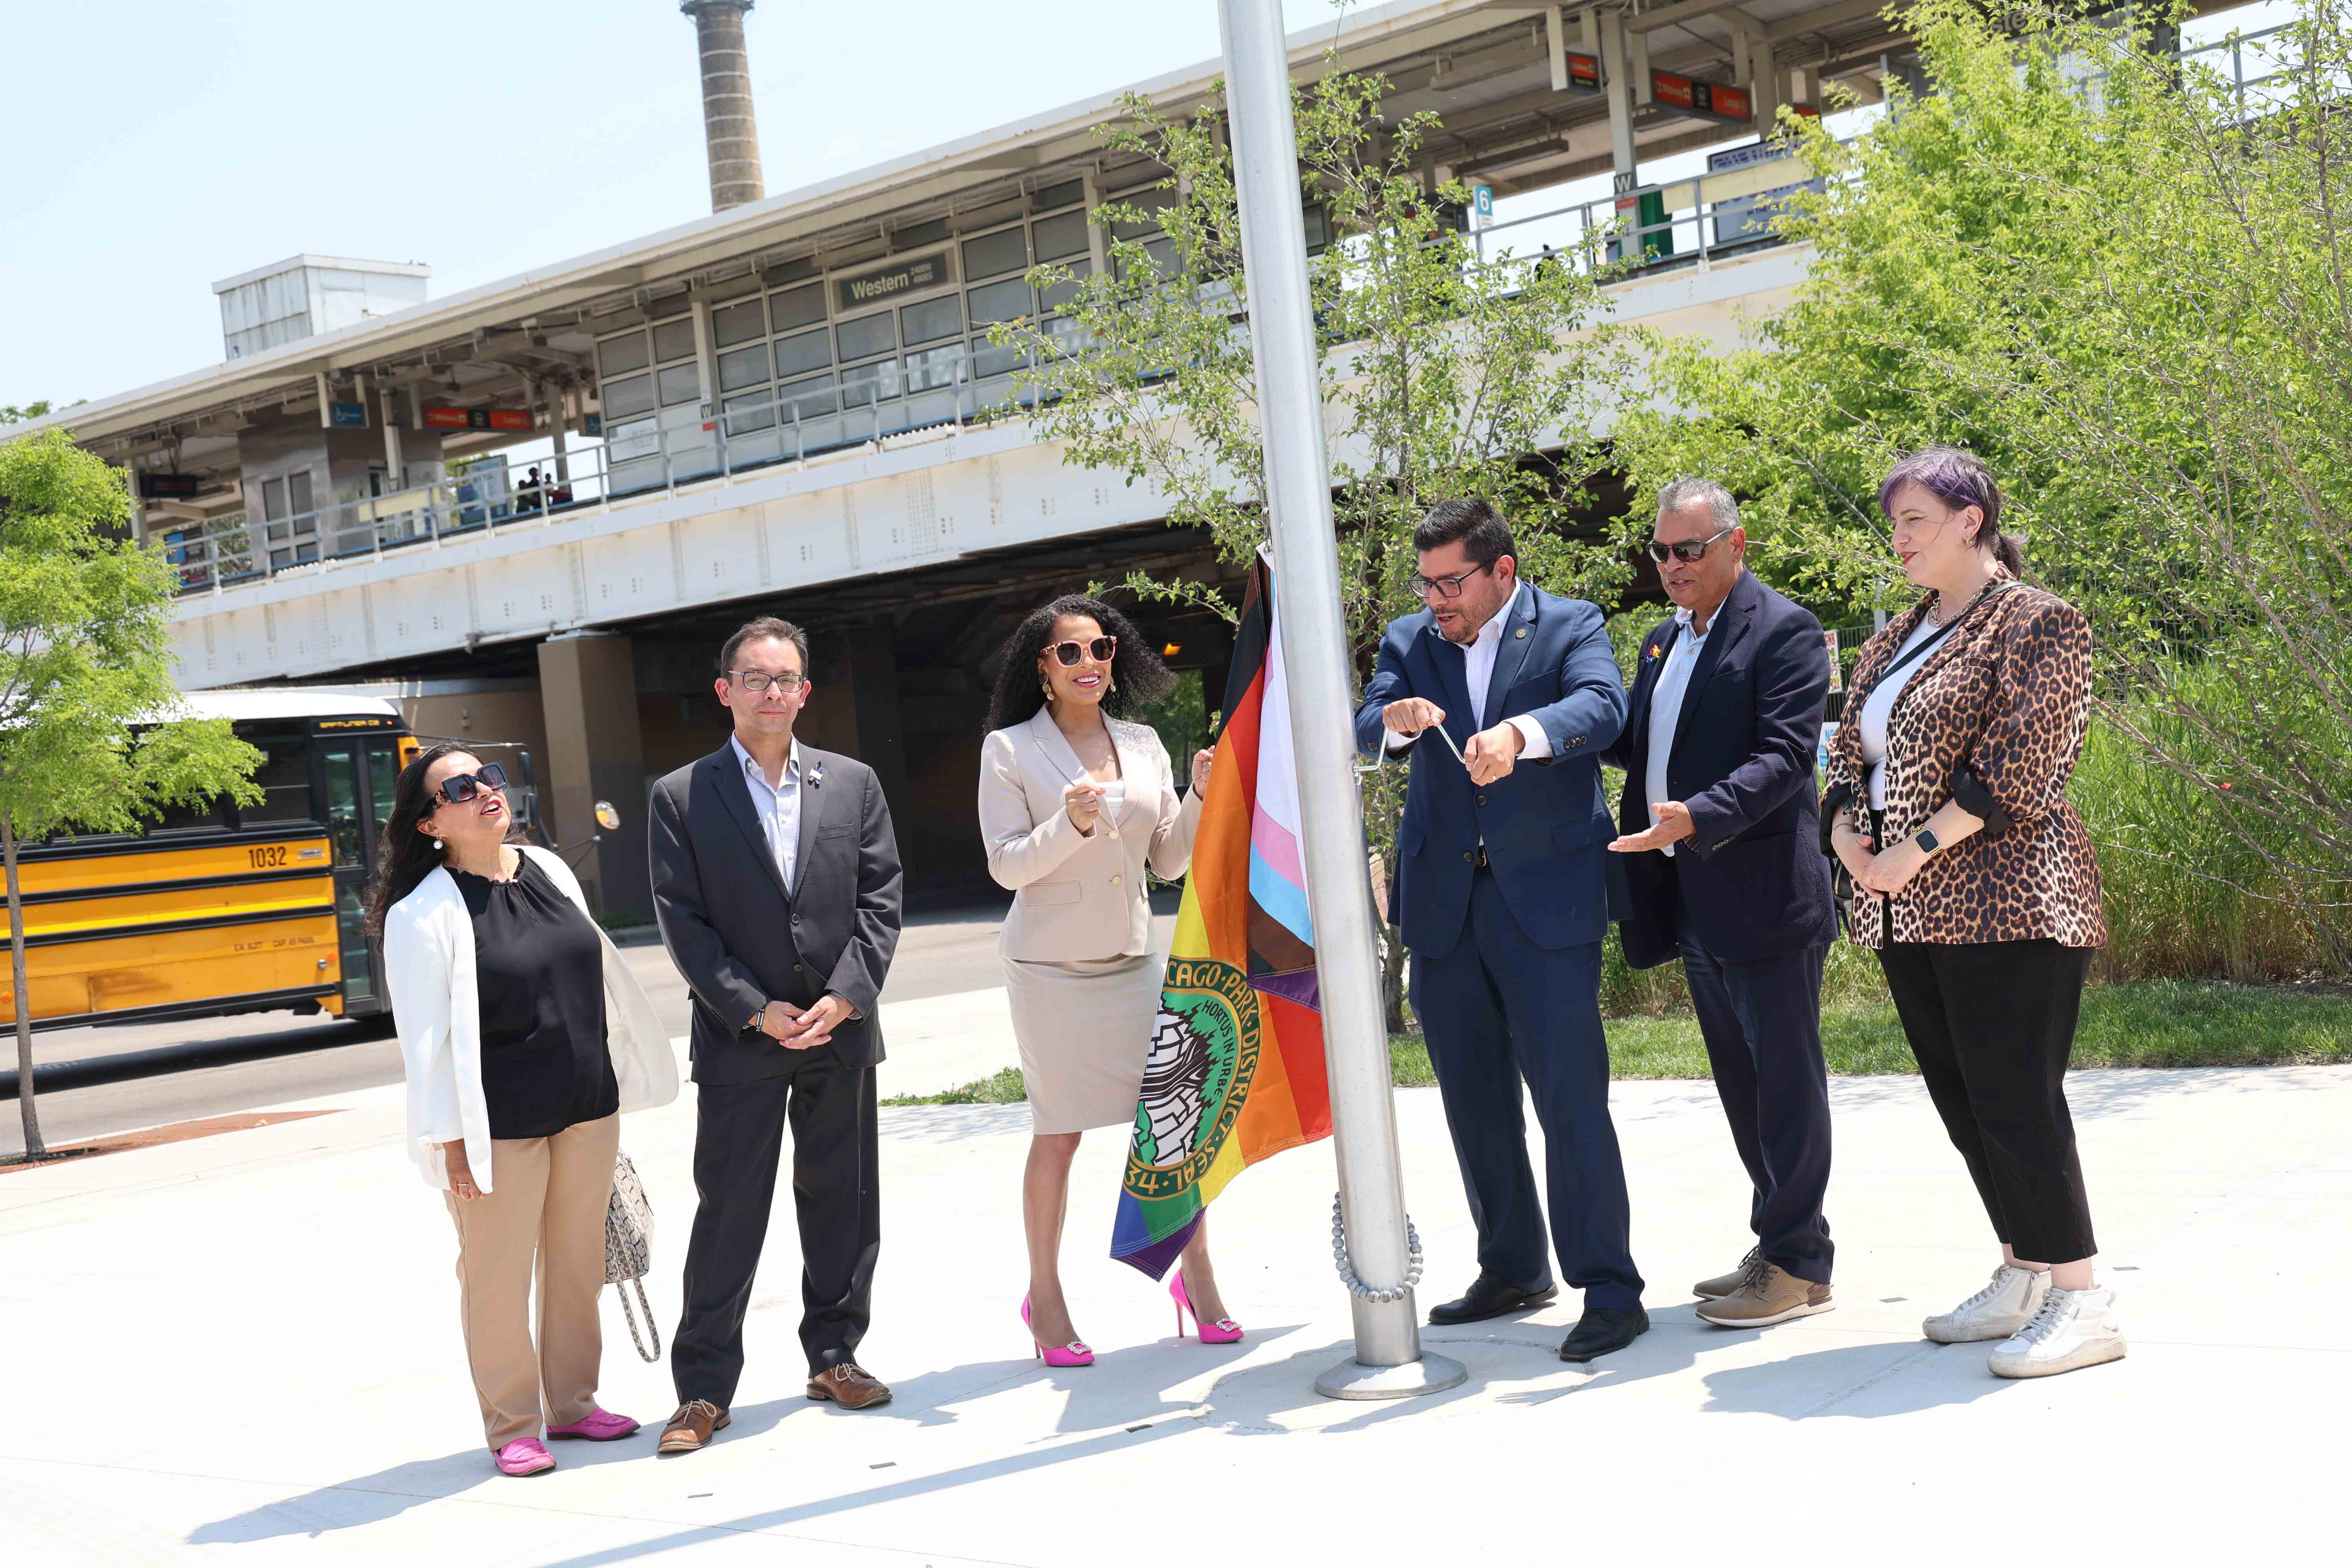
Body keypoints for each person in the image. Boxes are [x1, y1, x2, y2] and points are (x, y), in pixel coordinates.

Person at [1823, 447, 2121, 1379]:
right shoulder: (1893, 636)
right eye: (1896, 521)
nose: (1900, 537)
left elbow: (2025, 763)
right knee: (1966, 1106)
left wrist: (1908, 850)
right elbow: (1847, 747)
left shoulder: (2039, 623)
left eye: (1915, 519)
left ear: (1970, 520)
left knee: (2017, 1099)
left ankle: (2083, 1294)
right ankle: (2024, 1269)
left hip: (2012, 901)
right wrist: (1846, 838)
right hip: (1907, 912)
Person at [1353, 498, 1646, 1364]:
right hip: (1443, 904)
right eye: (1428, 581)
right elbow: (1366, 719)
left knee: (1568, 1097)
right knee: (1473, 1100)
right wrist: (1397, 725)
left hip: (1546, 900)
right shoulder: (1411, 640)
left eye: (1453, 581)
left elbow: (1605, 706)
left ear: (1503, 572)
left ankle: (1609, 1286)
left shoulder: (1570, 625)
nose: (1436, 597)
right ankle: (1514, 1265)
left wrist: (1523, 734)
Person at [374, 744, 680, 1477]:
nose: (487, 792)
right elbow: (426, 1047)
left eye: (492, 778)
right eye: (461, 787)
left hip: (586, 1105)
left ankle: (573, 1404)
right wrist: (447, 1143)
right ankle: (512, 1424)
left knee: (577, 1265)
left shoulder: (551, 872)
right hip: (495, 1126)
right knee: (496, 1275)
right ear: (429, 825)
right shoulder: (421, 916)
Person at [648, 616, 905, 1452]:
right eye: (755, 678)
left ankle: (836, 1354)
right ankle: (703, 1389)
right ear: (726, 691)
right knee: (730, 1209)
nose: (771, 691)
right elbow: (682, 922)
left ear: (805, 691)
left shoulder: (853, 783)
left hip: (839, 1029)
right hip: (741, 1035)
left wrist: (847, 996)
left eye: (786, 678)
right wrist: (754, 1008)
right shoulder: (681, 794)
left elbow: (881, 897)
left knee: (843, 1198)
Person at [1603, 479, 1839, 1328]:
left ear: (1736, 546)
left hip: (1765, 894)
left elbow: (1785, 755)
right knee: (1743, 1086)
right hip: (1693, 897)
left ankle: (1801, 1264)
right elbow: (1637, 740)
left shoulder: (1786, 630)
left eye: (1688, 549)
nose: (1672, 565)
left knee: (1785, 1082)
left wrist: (1699, 813)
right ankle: (1778, 1242)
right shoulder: (1663, 642)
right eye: (1661, 552)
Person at [976, 595, 1235, 1363]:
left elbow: (1168, 861)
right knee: (1059, 1137)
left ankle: (1200, 1279)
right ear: (1042, 669)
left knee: (1175, 1127)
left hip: (1134, 963)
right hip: (1052, 971)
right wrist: (1072, 823)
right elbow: (1006, 863)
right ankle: (1045, 1298)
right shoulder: (1010, 749)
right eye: (1070, 653)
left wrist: (1197, 795)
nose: (1090, 663)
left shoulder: (1143, 739)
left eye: (1102, 650)